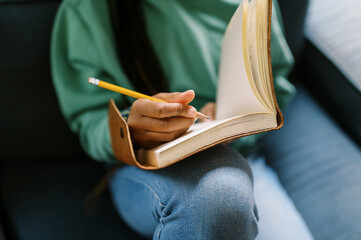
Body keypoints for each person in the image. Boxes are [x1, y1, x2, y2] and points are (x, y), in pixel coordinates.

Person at [51, 0, 314, 239]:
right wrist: (133, 130)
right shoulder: (86, 11)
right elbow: (90, 120)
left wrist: (235, 124)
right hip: (145, 165)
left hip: (241, 154)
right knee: (219, 196)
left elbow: (275, 85)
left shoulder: (252, 5)